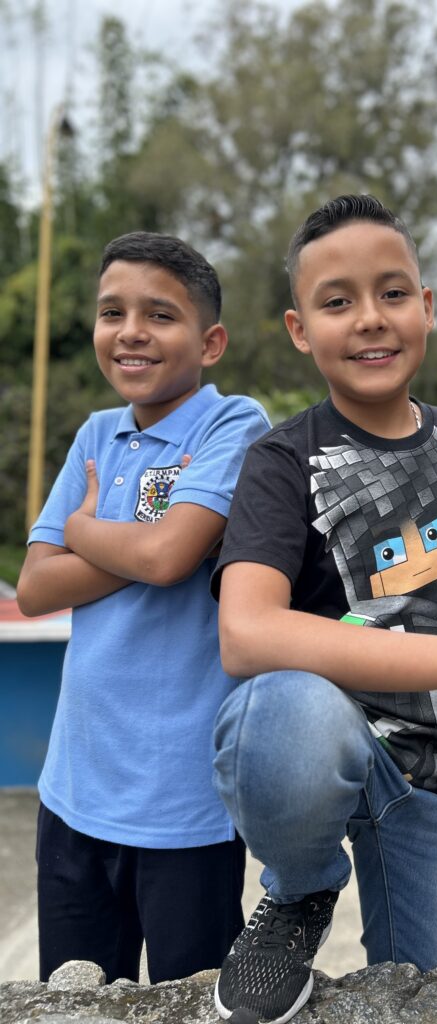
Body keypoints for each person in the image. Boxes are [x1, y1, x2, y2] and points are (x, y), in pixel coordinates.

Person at [210, 194, 437, 1023]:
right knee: (284, 710)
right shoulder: (281, 460)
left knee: (414, 996)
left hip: (431, 776)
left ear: (427, 307)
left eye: (393, 293)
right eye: (337, 302)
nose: (370, 318)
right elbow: (246, 631)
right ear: (300, 329)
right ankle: (300, 890)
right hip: (325, 746)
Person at [16, 232, 271, 984]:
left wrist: (84, 530)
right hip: (73, 792)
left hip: (185, 804)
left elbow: (168, 559)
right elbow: (35, 587)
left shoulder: (234, 425)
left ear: (211, 342)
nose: (131, 332)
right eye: (112, 312)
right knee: (76, 999)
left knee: (191, 999)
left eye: (160, 315)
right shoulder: (97, 434)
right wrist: (149, 544)